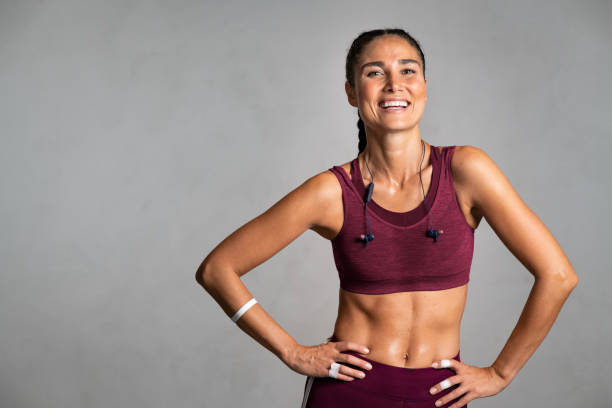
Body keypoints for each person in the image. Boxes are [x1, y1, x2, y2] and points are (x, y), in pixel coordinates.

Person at [195, 28, 578, 408]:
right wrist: (292, 352)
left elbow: (558, 276)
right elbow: (217, 269)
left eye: (408, 71)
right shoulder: (331, 192)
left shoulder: (467, 171)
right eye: (374, 72)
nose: (394, 84)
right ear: (351, 92)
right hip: (349, 392)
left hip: (440, 395)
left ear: (425, 84)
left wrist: (500, 374)